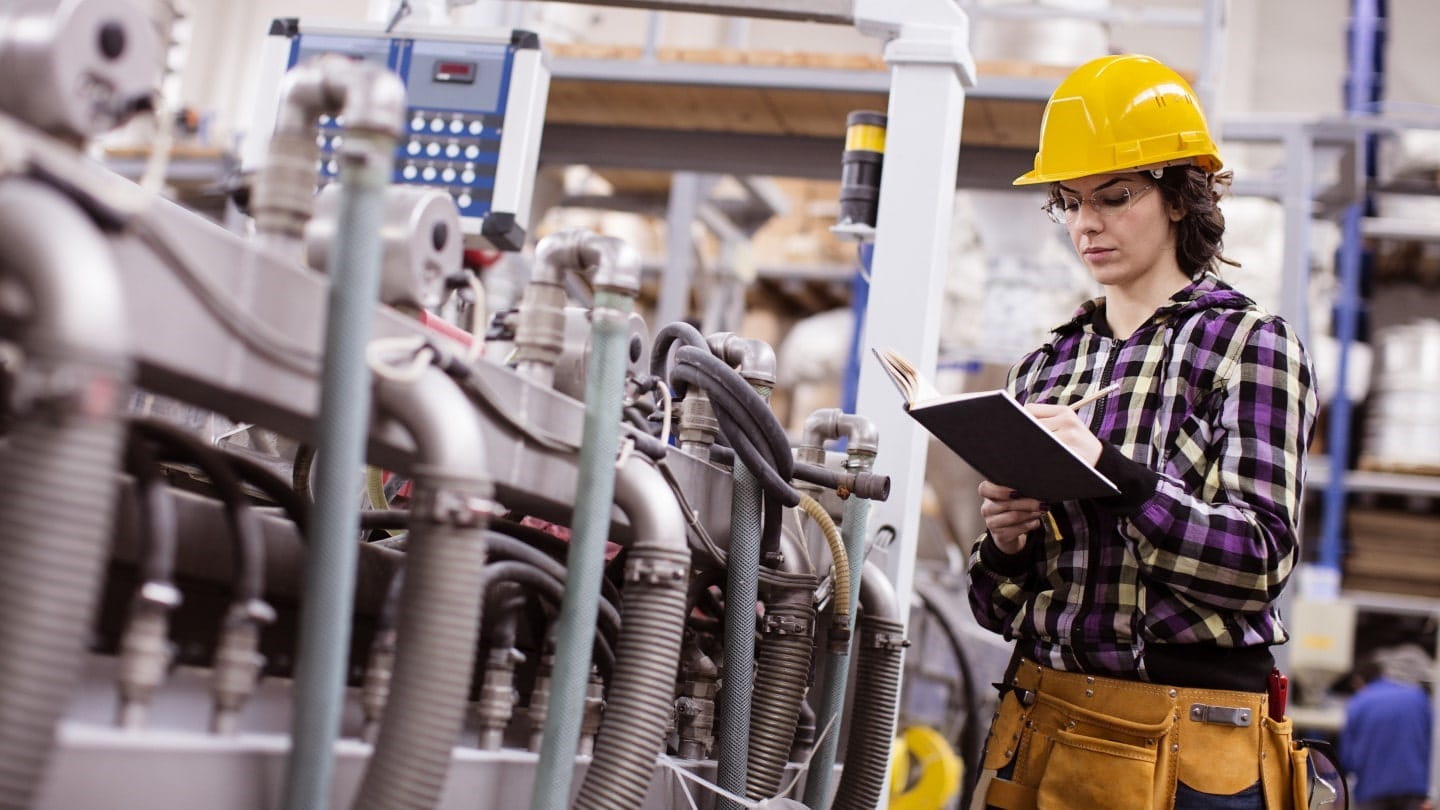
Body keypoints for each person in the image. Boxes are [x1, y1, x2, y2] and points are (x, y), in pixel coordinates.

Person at [965, 53, 1320, 810]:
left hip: (1192, 744)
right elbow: (994, 609)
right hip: (1042, 722)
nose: (1086, 222)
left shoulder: (1250, 347)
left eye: (1114, 195)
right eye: (1068, 200)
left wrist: (1116, 476)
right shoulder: (1046, 369)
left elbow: (1259, 561)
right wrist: (1006, 542)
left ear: (1182, 197)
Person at [1341, 655, 1432, 810]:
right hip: (1414, 788)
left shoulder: (1359, 702)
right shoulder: (1417, 697)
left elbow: (1349, 758)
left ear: (1358, 681)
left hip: (1372, 790)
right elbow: (1430, 743)